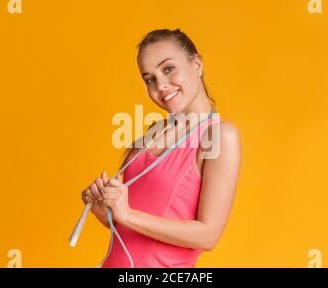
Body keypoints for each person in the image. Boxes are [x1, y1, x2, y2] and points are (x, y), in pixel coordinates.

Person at [81, 29, 242, 267]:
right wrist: (106, 212)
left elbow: (208, 236)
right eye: (150, 79)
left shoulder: (220, 136)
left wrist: (126, 215)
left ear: (197, 65)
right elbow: (138, 226)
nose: (161, 85)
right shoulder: (154, 132)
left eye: (168, 69)